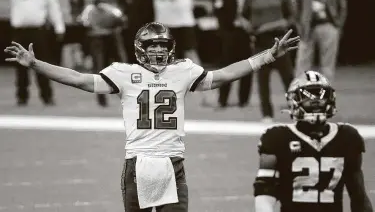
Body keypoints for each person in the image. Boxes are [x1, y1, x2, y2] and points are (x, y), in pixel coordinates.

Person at [4, 22, 299, 212]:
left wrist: (267, 56)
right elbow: (79, 79)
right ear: (140, 49)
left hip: (173, 161)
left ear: (171, 48)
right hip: (139, 162)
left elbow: (223, 76)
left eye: (163, 45)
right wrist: (36, 64)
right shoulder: (124, 73)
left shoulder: (182, 70)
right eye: (152, 45)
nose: (158, 51)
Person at [253, 70, 373, 212]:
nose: (316, 101)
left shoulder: (347, 137)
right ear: (293, 101)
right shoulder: (277, 138)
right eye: (307, 96)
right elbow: (264, 192)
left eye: (321, 95)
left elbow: (358, 196)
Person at [0, 0, 65, 106]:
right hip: (19, 32)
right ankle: (22, 97)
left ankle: (47, 96)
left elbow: (53, 8)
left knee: (41, 65)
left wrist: (59, 27)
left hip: (38, 32)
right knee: (20, 66)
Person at [242, 0, 295, 122]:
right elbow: (243, 16)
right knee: (263, 80)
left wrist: (276, 24)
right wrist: (250, 28)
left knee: (288, 78)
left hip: (279, 40)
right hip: (260, 41)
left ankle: (296, 109)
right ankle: (267, 114)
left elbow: (291, 15)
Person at [294, 0, 347, 81]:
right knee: (302, 62)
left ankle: (325, 92)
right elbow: (297, 5)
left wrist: (337, 26)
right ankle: (301, 91)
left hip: (328, 25)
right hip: (307, 27)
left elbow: (343, 6)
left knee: (327, 64)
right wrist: (299, 26)